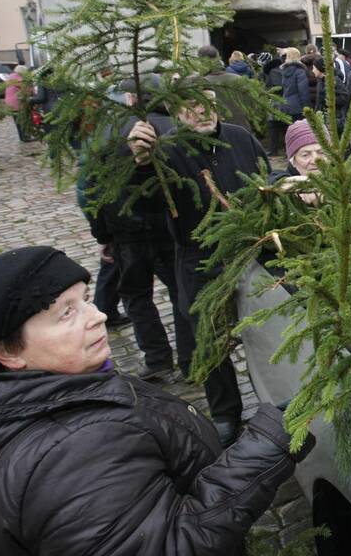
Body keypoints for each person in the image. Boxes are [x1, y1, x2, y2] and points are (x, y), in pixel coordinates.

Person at [0, 246, 311, 556]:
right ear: (10, 352)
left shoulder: (71, 390)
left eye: (85, 300)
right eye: (66, 313)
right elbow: (171, 546)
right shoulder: (72, 455)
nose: (97, 316)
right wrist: (268, 445)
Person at [126, 82, 268, 445]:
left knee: (266, 329)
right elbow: (146, 209)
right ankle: (225, 412)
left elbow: (266, 182)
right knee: (209, 339)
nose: (201, 110)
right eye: (190, 105)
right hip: (199, 257)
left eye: (207, 101)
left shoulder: (240, 137)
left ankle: (271, 398)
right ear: (176, 112)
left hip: (252, 252)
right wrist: (143, 166)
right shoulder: (167, 151)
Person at [86, 79, 185, 380]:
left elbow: (94, 189)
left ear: (130, 98)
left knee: (137, 296)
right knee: (178, 292)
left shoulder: (107, 130)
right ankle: (192, 358)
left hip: (128, 230)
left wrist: (103, 235)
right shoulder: (173, 127)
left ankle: (158, 360)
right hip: (165, 226)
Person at [198, 44, 253, 133]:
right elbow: (252, 106)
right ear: (218, 58)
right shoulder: (239, 79)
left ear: (201, 62)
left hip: (216, 133)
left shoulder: (199, 84)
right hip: (242, 129)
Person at [270, 120, 324, 206]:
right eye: (305, 155)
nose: (315, 160)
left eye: (321, 152)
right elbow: (274, 180)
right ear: (293, 160)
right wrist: (296, 185)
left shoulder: (343, 177)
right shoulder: (283, 176)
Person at [279, 47, 310, 123]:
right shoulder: (300, 71)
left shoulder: (284, 70)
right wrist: (307, 108)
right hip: (298, 108)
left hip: (285, 106)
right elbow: (303, 91)